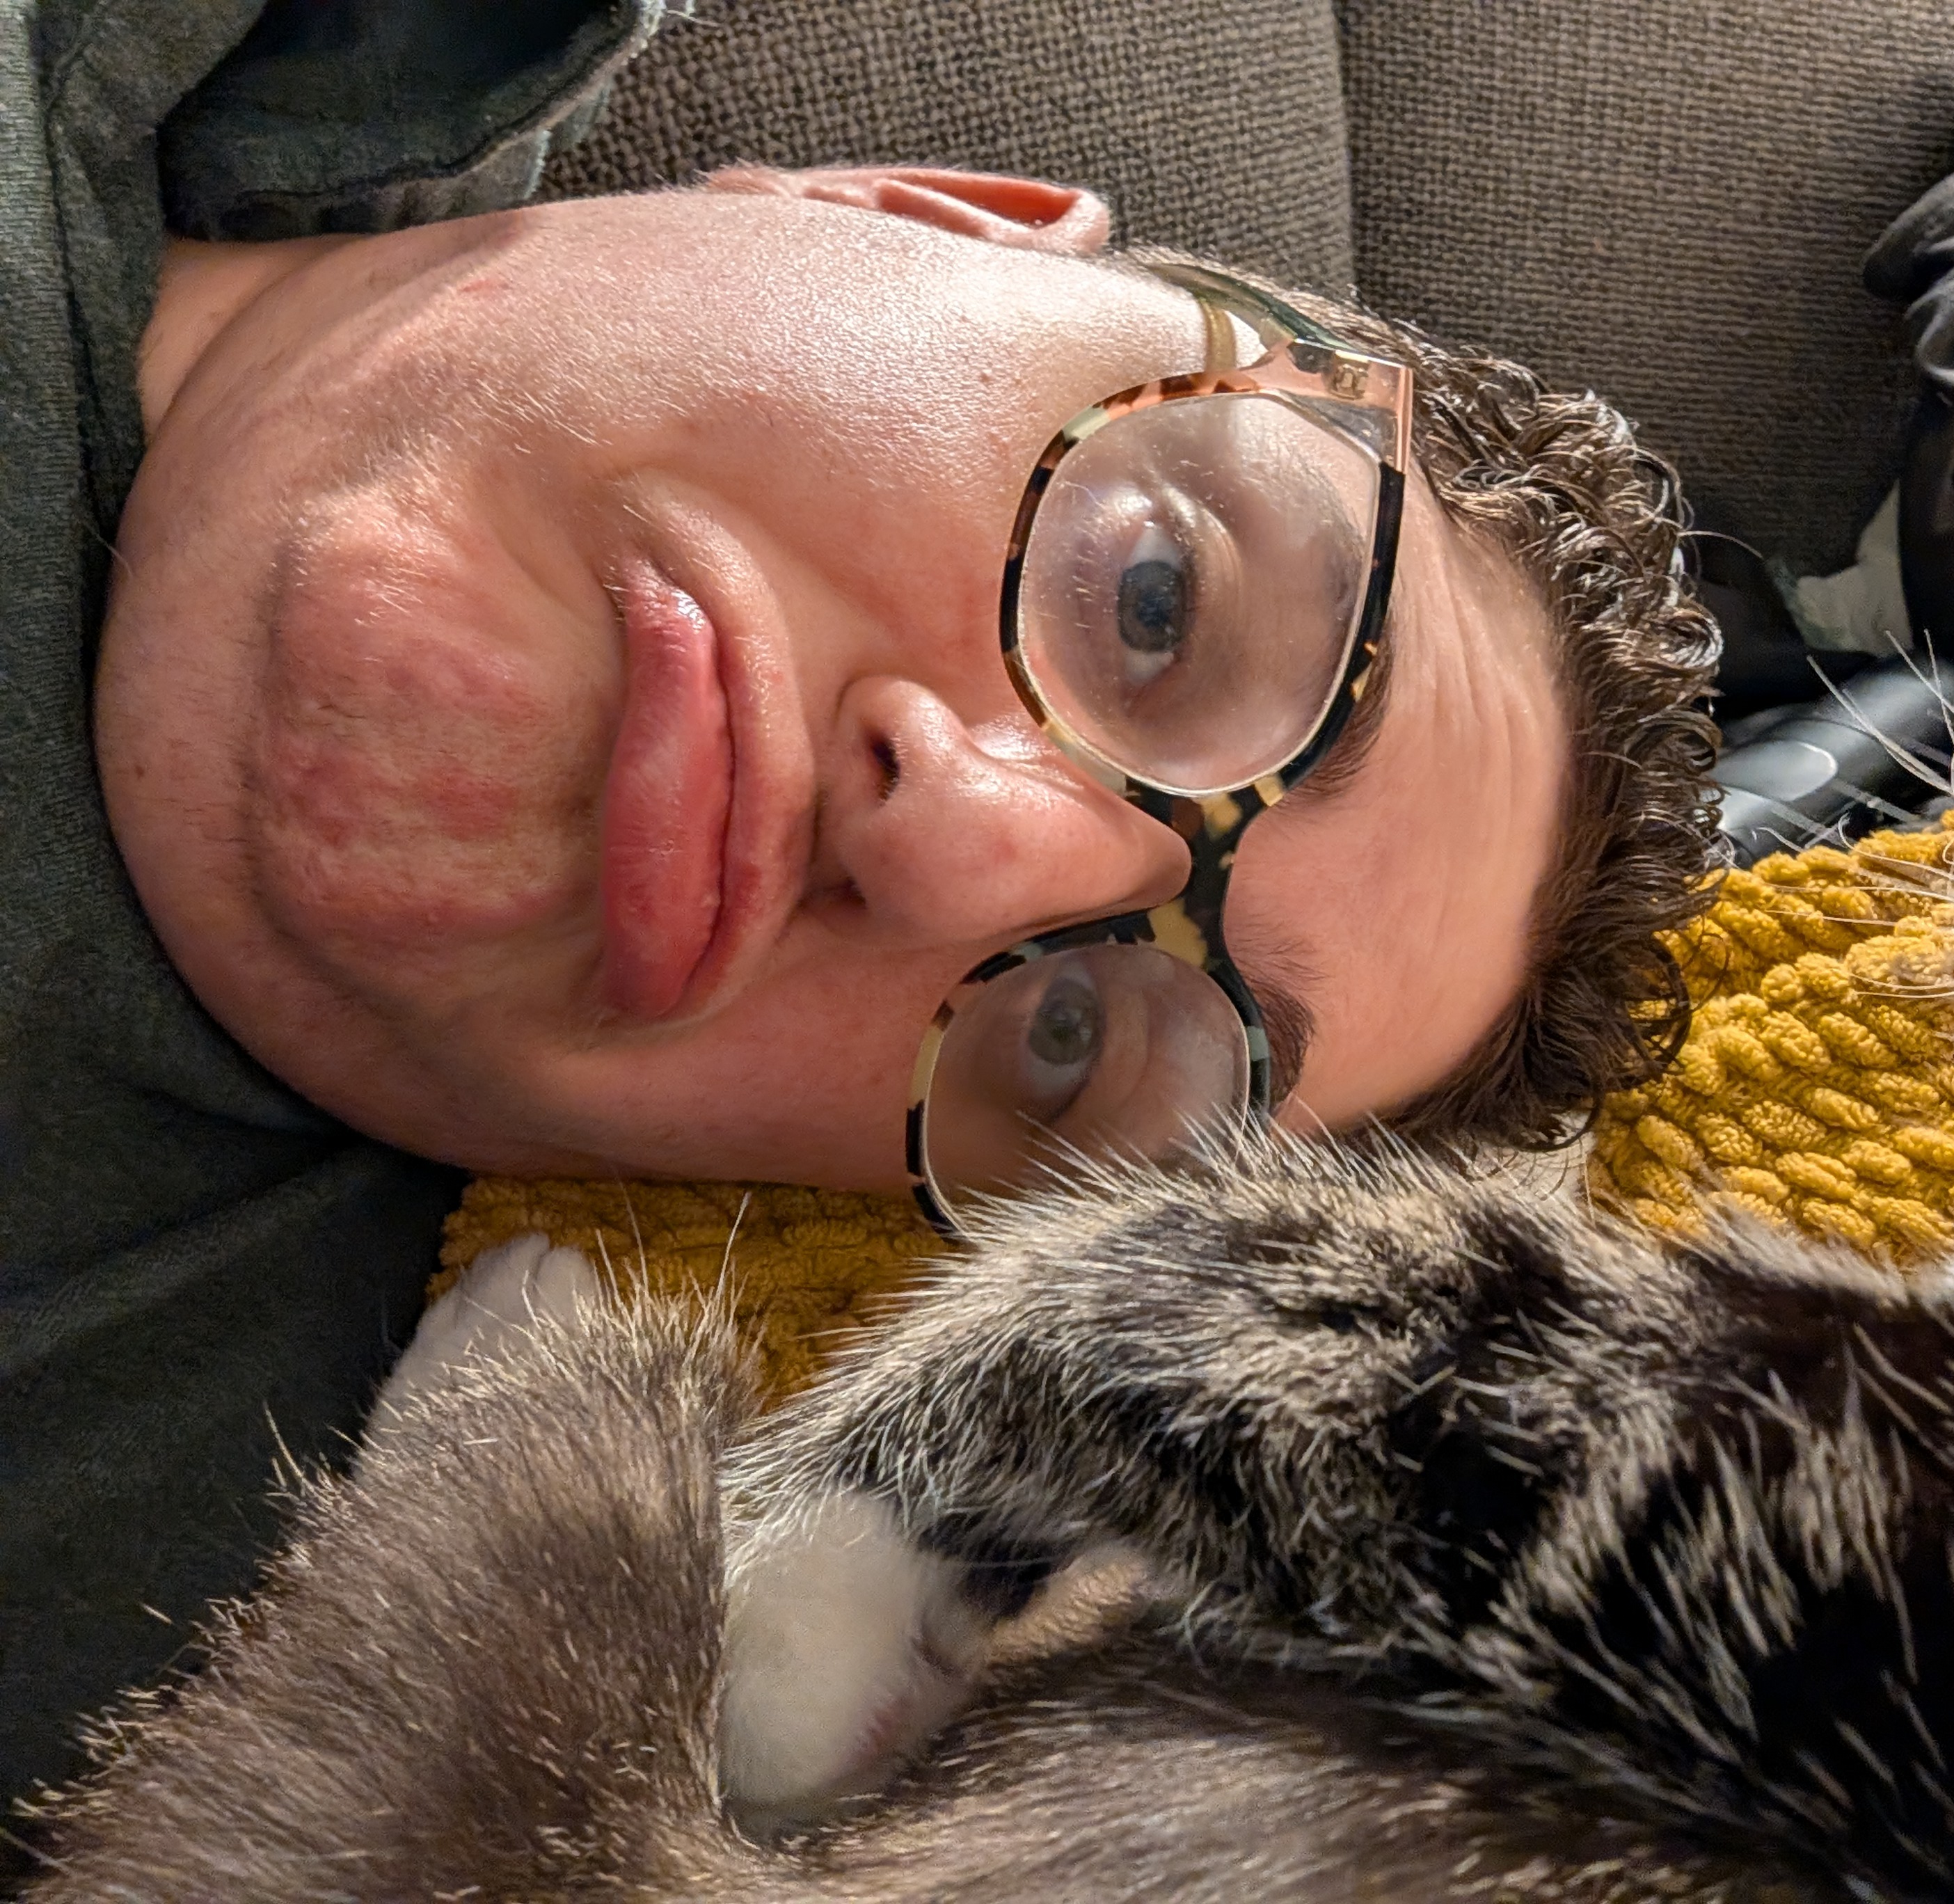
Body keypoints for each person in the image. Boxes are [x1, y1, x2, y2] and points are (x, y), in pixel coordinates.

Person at [0, 0, 1718, 1818]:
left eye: (1070, 1040)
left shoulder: (216, 1626)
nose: (965, 856)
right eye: (1154, 600)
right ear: (918, 208)